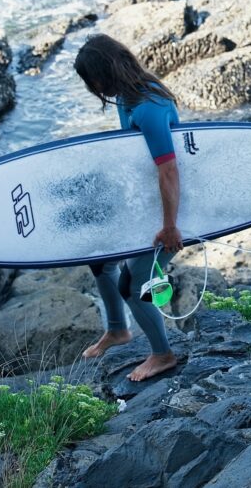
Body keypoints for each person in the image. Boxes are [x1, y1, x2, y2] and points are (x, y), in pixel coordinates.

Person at [74, 34, 182, 382]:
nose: (93, 88)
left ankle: (162, 355)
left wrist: (169, 227)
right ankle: (118, 330)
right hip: (144, 198)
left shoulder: (148, 106)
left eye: (91, 80)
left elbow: (169, 169)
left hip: (173, 206)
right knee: (99, 260)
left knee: (134, 283)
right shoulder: (127, 96)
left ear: (104, 72)